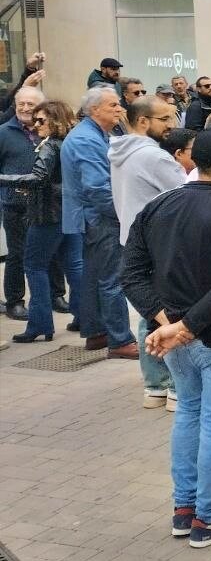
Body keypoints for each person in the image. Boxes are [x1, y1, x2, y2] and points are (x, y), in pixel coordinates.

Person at [123, 124, 211, 549]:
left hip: (176, 340)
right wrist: (180, 327)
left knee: (190, 413)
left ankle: (185, 510)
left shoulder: (157, 206)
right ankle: (208, 517)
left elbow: (131, 274)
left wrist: (168, 323)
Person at [110, 95, 185, 407]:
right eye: (165, 119)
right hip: (157, 245)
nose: (172, 125)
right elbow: (186, 195)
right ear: (143, 121)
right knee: (167, 311)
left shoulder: (123, 151)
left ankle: (155, 384)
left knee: (148, 312)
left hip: (134, 240)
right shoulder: (155, 157)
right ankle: (174, 387)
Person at [62, 87, 138, 358]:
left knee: (95, 277)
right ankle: (119, 341)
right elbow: (97, 188)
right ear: (94, 110)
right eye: (113, 105)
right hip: (100, 218)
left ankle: (96, 333)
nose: (119, 109)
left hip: (94, 217)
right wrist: (124, 214)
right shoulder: (85, 139)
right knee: (111, 279)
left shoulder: (97, 134)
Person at [0, 100, 81, 342]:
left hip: (48, 215)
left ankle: (40, 324)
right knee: (75, 267)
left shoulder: (51, 146)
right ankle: (85, 318)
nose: (35, 125)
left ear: (56, 120)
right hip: (68, 212)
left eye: (41, 120)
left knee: (35, 267)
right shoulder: (70, 143)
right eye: (35, 119)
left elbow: (38, 178)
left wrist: (3, 178)